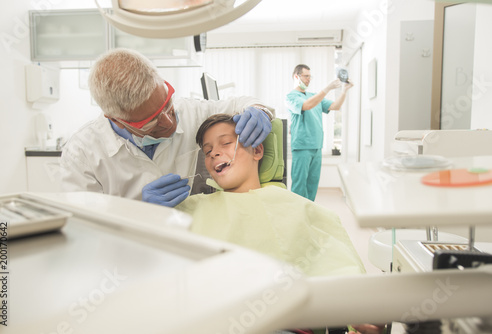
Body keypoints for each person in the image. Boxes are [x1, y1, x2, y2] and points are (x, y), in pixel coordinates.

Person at [176, 114, 384, 334]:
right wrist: (145, 206)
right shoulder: (192, 207)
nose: (215, 153)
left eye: (226, 143)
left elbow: (339, 266)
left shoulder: (299, 207)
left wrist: (359, 316)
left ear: (257, 150)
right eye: (207, 152)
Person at [60, 48, 273, 207]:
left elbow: (241, 103)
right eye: (152, 122)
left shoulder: (188, 111)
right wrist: (137, 212)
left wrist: (259, 110)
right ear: (117, 120)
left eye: (168, 105)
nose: (170, 122)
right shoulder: (81, 153)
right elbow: (83, 227)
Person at [286, 64, 353, 201]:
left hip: (316, 146)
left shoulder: (314, 96)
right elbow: (306, 105)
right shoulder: (291, 97)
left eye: (310, 77)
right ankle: (297, 217)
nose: (309, 79)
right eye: (306, 76)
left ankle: (310, 216)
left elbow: (335, 106)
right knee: (299, 187)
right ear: (296, 76)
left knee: (312, 186)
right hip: (302, 146)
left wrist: (344, 91)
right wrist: (327, 88)